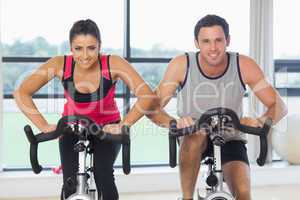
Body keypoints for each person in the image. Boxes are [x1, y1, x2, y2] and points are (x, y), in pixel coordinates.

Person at [147, 14, 287, 200]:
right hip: (193, 135)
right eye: (206, 41)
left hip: (231, 136)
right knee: (196, 135)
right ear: (196, 43)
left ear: (228, 41)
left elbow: (279, 105)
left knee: (243, 194)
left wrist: (260, 121)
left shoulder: (244, 65)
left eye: (218, 40)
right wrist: (174, 122)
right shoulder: (181, 65)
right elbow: (151, 107)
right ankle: (186, 197)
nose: (213, 48)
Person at [13, 19, 157, 200]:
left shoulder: (113, 63)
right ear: (71, 47)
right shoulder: (60, 64)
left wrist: (124, 124)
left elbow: (147, 95)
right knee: (70, 184)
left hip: (106, 128)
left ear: (99, 46)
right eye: (78, 48)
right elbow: (22, 93)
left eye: (91, 48)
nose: (85, 55)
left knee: (103, 174)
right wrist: (43, 124)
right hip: (72, 127)